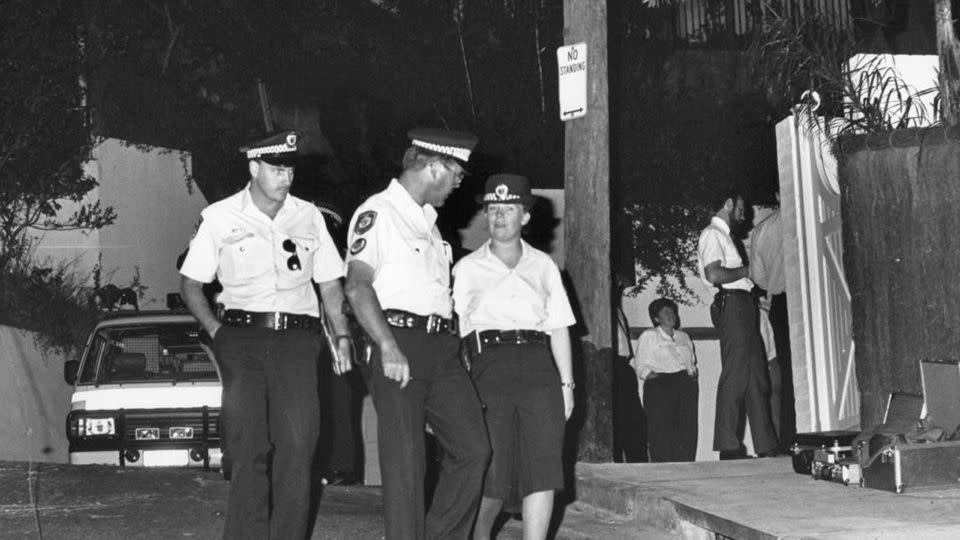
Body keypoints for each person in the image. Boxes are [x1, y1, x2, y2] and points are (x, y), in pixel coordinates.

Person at [179, 131, 354, 540]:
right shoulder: (220, 217)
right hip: (241, 340)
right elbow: (191, 284)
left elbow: (329, 283)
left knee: (298, 448)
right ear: (254, 168)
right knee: (246, 449)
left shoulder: (310, 216)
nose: (285, 177)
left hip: (297, 342)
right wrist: (217, 332)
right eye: (276, 169)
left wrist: (341, 334)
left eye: (290, 168)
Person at [343, 128, 490, 539]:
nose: (459, 183)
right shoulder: (379, 213)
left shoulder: (431, 226)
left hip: (441, 349)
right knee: (407, 467)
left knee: (473, 449)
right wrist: (387, 345)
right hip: (398, 341)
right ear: (433, 166)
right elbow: (356, 286)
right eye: (457, 174)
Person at [452, 174, 576, 540]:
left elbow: (559, 329)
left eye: (508, 209)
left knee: (543, 470)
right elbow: (456, 334)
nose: (499, 216)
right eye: (492, 209)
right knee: (492, 471)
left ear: (524, 216)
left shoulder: (544, 267)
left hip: (540, 369)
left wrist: (567, 386)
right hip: (488, 369)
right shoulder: (467, 268)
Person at [696, 188, 779, 460]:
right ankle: (729, 447)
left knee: (756, 377)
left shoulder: (726, 237)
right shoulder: (712, 234)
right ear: (728, 203)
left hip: (744, 304)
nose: (745, 215)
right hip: (731, 304)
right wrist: (748, 271)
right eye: (741, 209)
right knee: (735, 375)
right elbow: (714, 273)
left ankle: (766, 445)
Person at [749, 189, 794, 450]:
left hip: (782, 303)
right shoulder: (811, 220)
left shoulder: (763, 230)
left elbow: (759, 278)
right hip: (811, 298)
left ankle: (790, 439)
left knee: (788, 374)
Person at [630, 297, 698, 462]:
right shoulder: (649, 335)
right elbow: (639, 364)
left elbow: (691, 361)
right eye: (666, 312)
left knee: (686, 431)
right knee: (661, 432)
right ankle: (662, 469)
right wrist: (652, 377)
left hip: (684, 385)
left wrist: (692, 375)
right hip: (661, 386)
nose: (672, 314)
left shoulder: (683, 336)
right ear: (656, 318)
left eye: (673, 311)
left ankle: (685, 468)